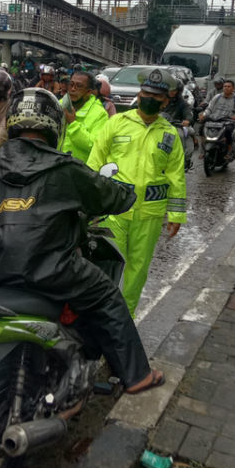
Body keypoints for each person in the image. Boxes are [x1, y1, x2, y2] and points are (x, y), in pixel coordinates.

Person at [0, 87, 163, 393]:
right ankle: (138, 376)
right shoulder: (64, 167)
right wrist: (127, 191)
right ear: (55, 125)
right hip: (52, 271)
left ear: (14, 123)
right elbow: (110, 196)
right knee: (108, 296)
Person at [87, 69, 186, 316]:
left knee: (138, 270)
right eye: (145, 93)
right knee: (109, 264)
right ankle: (103, 316)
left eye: (156, 96)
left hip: (150, 214)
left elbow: (176, 176)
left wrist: (176, 215)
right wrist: (89, 204)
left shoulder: (170, 134)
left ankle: (126, 319)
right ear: (139, 96)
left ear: (166, 101)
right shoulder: (116, 123)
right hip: (114, 211)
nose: (149, 98)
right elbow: (94, 162)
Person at [60, 71, 108, 162]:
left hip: (80, 170)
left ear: (89, 92)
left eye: (79, 86)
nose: (73, 89)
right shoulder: (60, 104)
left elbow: (95, 146)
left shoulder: (100, 114)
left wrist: (73, 124)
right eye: (71, 84)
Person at [198, 79, 235, 160]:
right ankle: (203, 149)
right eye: (225, 86)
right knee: (201, 129)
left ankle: (229, 151)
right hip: (214, 119)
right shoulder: (217, 97)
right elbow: (209, 109)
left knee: (228, 131)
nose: (226, 88)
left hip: (227, 121)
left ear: (233, 88)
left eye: (229, 87)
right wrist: (204, 115)